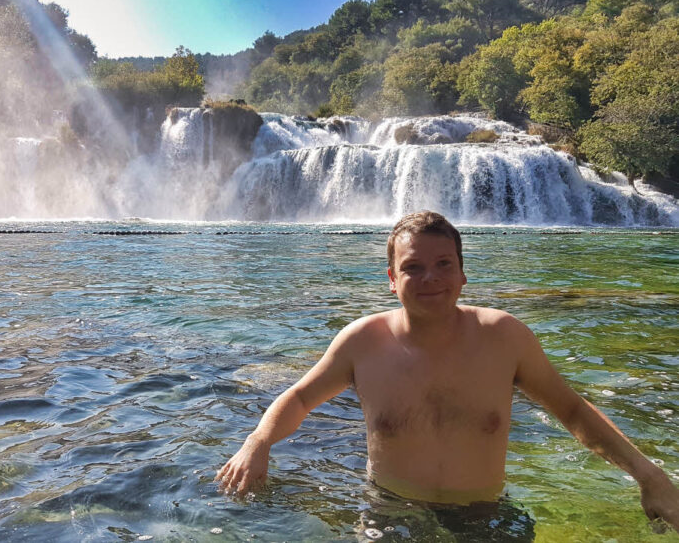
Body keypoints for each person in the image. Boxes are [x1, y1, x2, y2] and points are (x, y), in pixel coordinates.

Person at [216, 211, 679, 533]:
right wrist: (257, 443)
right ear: (392, 279)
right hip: (389, 513)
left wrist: (650, 477)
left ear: (462, 274)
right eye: (413, 267)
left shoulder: (505, 337)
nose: (430, 278)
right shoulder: (362, 341)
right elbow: (298, 398)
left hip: (487, 516)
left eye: (443, 265)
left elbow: (573, 411)